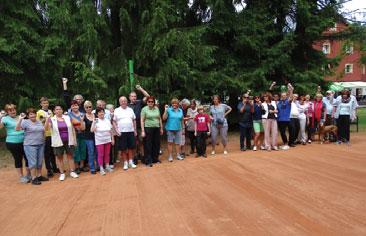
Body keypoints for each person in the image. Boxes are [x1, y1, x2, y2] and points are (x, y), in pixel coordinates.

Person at [45, 105, 79, 181]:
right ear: (54, 111)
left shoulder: (67, 117)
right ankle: (62, 173)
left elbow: (73, 128)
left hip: (69, 140)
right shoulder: (52, 119)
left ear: (62, 110)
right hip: (58, 141)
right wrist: (47, 119)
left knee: (70, 156)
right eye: (57, 109)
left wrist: (74, 139)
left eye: (60, 109)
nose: (58, 110)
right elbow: (46, 128)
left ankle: (72, 171)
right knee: (59, 157)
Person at [16, 108, 48, 185]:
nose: (33, 115)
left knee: (40, 161)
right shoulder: (25, 122)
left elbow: (44, 130)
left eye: (34, 113)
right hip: (30, 145)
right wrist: (20, 119)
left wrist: (47, 119)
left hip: (40, 144)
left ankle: (39, 175)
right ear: (28, 115)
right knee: (33, 162)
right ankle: (34, 178)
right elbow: (17, 129)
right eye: (30, 114)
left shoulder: (39, 121)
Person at [0, 104, 30, 183]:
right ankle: (21, 177)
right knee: (18, 159)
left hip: (25, 141)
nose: (13, 111)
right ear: (7, 112)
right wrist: (0, 117)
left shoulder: (20, 117)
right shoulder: (5, 118)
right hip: (13, 142)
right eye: (10, 110)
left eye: (13, 110)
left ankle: (28, 174)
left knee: (27, 158)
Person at [113, 96, 138, 170]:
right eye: (122, 101)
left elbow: (134, 120)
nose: (123, 102)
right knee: (123, 148)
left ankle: (130, 162)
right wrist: (117, 131)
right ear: (120, 102)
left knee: (130, 147)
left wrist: (135, 130)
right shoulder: (117, 110)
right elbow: (114, 121)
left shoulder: (130, 109)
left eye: (125, 101)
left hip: (130, 131)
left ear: (127, 102)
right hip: (121, 132)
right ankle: (125, 163)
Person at [128, 85, 150, 164]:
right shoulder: (127, 105)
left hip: (140, 126)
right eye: (132, 96)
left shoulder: (139, 102)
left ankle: (143, 156)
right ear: (129, 97)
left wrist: (141, 89)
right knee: (134, 143)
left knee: (141, 142)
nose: (134, 98)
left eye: (135, 96)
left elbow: (148, 97)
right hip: (131, 127)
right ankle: (135, 157)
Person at [36, 97, 58, 177]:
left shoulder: (50, 111)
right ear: (41, 104)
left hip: (52, 134)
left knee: (53, 152)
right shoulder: (39, 112)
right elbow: (42, 122)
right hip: (45, 135)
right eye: (44, 103)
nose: (45, 104)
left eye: (46, 103)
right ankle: (49, 169)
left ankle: (55, 167)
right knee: (47, 153)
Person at [141, 96, 163, 167]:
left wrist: (161, 128)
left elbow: (159, 119)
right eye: (149, 101)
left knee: (156, 144)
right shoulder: (144, 109)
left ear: (154, 102)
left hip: (156, 128)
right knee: (148, 145)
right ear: (147, 102)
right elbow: (142, 120)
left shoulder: (156, 108)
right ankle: (148, 160)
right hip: (148, 128)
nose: (150, 103)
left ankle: (155, 159)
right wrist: (143, 131)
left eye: (152, 102)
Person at [91, 108, 114, 175]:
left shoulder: (107, 120)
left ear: (104, 113)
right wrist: (94, 126)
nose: (101, 113)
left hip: (107, 140)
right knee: (101, 154)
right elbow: (92, 130)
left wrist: (112, 139)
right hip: (99, 141)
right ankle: (101, 168)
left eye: (102, 112)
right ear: (97, 114)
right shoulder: (96, 120)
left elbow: (111, 130)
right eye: (99, 112)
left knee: (107, 154)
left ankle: (107, 166)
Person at [68, 100, 87, 174]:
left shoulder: (83, 114)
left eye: (76, 105)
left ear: (78, 106)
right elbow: (71, 124)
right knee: (76, 150)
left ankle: (82, 166)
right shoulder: (68, 115)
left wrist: (78, 124)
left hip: (83, 134)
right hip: (74, 135)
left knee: (83, 149)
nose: (75, 107)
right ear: (71, 107)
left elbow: (83, 127)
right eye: (73, 105)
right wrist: (79, 123)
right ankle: (77, 167)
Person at [276, 83, 294, 150]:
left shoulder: (288, 102)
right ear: (281, 96)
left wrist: (291, 90)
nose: (283, 96)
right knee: (282, 132)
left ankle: (287, 144)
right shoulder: (279, 102)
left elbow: (291, 97)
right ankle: (285, 143)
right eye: (282, 95)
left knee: (288, 131)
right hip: (280, 120)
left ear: (286, 96)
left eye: (284, 95)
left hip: (286, 119)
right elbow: (277, 110)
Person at [83, 101, 97, 174]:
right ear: (84, 108)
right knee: (91, 152)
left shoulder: (95, 114)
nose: (88, 108)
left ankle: (98, 166)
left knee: (97, 152)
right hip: (88, 137)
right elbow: (82, 128)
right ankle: (92, 168)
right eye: (86, 107)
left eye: (90, 107)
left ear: (92, 107)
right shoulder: (83, 116)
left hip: (97, 136)